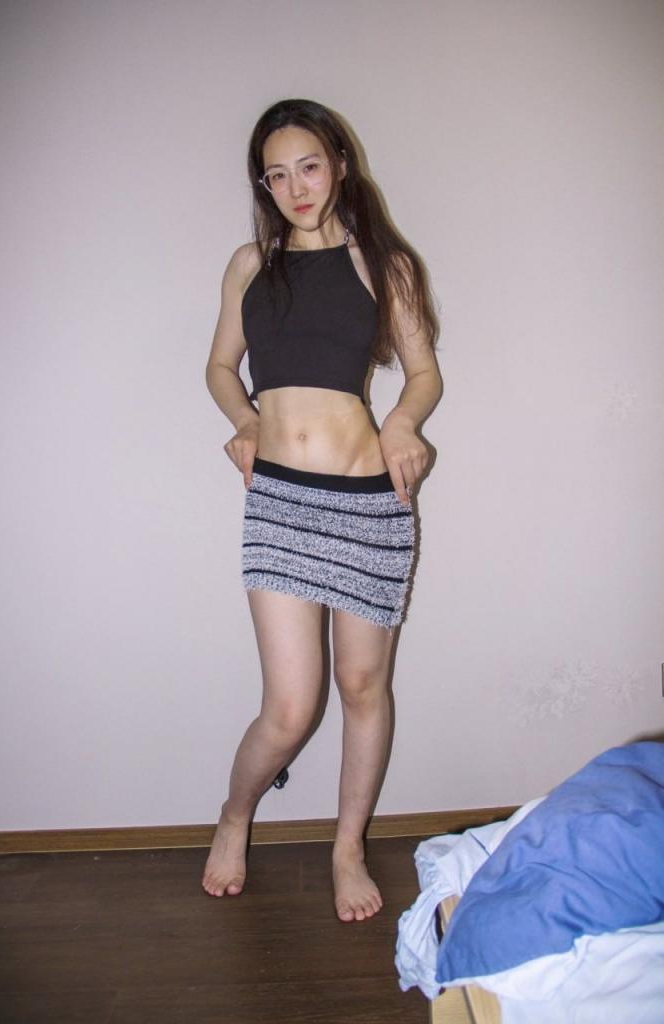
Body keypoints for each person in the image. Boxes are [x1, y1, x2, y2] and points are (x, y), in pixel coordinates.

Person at [202, 98, 442, 923]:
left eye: (308, 165)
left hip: (369, 501)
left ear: (339, 162)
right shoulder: (250, 266)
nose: (295, 186)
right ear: (264, 187)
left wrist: (404, 423)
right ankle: (234, 816)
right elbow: (221, 367)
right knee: (291, 707)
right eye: (276, 175)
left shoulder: (386, 265)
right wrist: (243, 422)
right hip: (280, 502)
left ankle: (347, 849)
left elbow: (422, 374)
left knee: (363, 684)